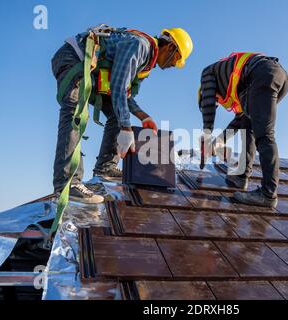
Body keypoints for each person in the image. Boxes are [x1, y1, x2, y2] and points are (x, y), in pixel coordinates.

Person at [51, 25, 193, 203]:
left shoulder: (146, 64)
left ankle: (105, 168)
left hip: (92, 73)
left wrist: (143, 116)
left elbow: (125, 94)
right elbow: (118, 86)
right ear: (171, 47)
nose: (173, 65)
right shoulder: (141, 46)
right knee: (75, 114)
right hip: (73, 59)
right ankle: (67, 184)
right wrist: (126, 127)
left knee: (118, 113)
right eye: (176, 60)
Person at [198, 52, 288, 208]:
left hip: (264, 74)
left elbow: (208, 106)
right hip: (277, 76)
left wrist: (207, 135)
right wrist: (218, 142)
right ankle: (241, 177)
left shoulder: (208, 74)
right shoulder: (239, 86)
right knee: (248, 126)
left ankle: (268, 194)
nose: (218, 103)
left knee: (264, 135)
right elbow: (239, 119)